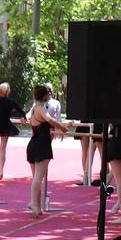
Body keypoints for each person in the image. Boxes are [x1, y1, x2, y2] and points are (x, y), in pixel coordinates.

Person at [23, 86, 68, 216]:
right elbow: (49, 119)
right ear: (45, 96)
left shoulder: (33, 109)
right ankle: (34, 203)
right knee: (38, 178)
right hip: (41, 145)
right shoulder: (40, 108)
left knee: (36, 178)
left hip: (33, 144)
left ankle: (37, 206)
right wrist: (62, 128)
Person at [0, 81, 23, 183]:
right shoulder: (11, 102)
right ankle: (0, 170)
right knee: (2, 149)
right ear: (8, 92)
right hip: (5, 125)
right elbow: (20, 110)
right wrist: (23, 117)